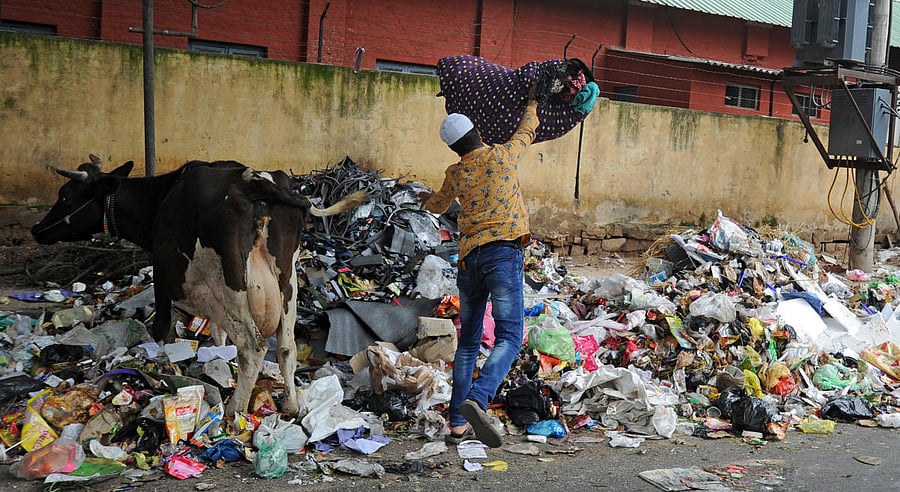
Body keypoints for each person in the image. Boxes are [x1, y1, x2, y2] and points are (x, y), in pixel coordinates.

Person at [419, 84, 539, 448]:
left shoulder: (454, 173)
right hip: (503, 256)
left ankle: (457, 423)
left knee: (468, 342)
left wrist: (425, 198)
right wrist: (532, 100)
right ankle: (479, 397)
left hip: (470, 261)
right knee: (509, 336)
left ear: (454, 148)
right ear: (478, 133)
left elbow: (437, 205)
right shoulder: (503, 155)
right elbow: (527, 129)